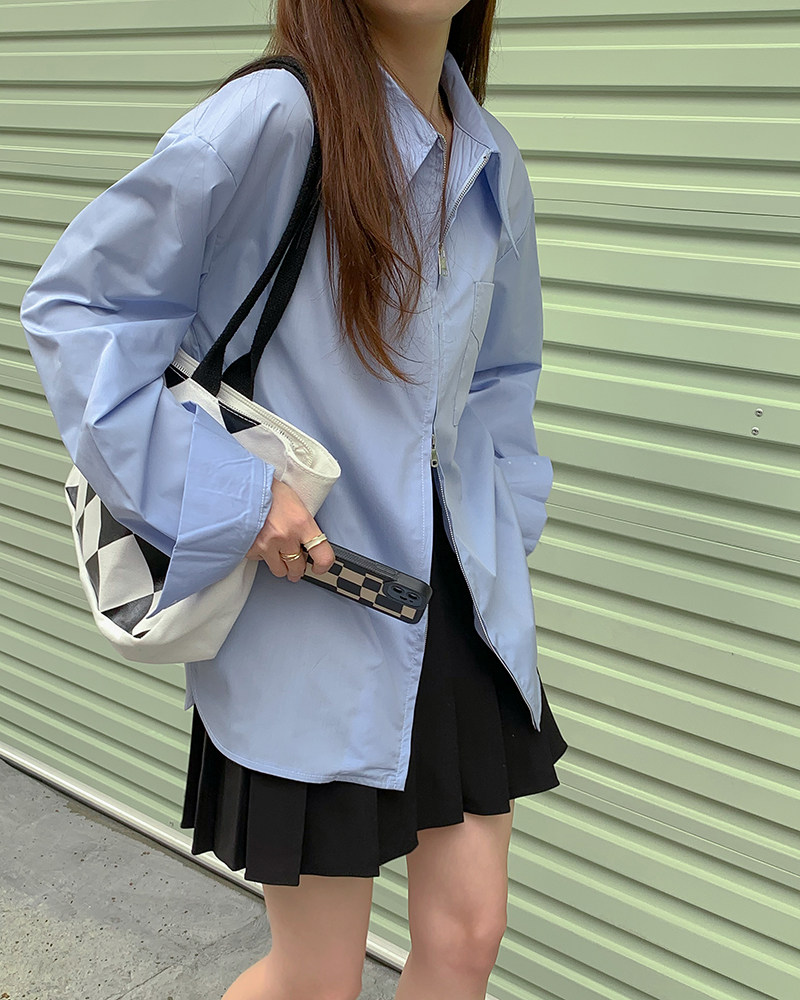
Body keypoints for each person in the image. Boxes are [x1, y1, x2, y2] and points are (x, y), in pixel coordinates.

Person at [19, 1, 569, 998]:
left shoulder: (489, 156)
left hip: (458, 605)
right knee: (317, 977)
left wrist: (505, 524)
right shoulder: (275, 118)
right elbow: (80, 310)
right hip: (312, 597)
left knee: (467, 938)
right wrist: (233, 494)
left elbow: (500, 379)